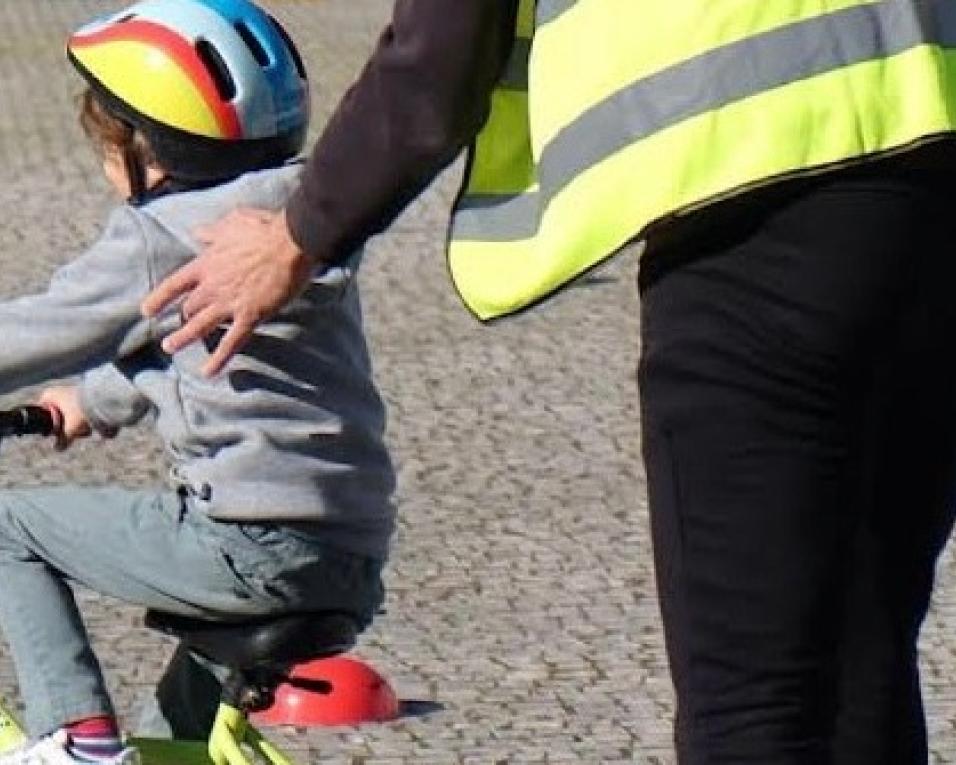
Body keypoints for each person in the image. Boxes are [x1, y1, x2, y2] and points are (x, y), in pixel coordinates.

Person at [142, 0, 956, 762]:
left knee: (752, 699)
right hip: (933, 171)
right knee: (862, 650)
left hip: (757, 208)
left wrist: (298, 233)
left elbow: (439, 56)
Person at [0, 1, 395, 763]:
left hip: (247, 540)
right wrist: (82, 403)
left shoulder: (164, 232)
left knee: (8, 526)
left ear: (149, 147)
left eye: (107, 148)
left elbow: (46, 328)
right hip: (347, 551)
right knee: (167, 745)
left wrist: (67, 378)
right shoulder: (293, 224)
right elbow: (188, 347)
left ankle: (73, 733)